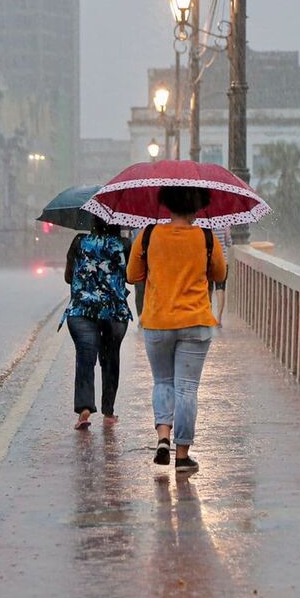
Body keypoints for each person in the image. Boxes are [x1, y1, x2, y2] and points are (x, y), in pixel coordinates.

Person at [126, 186, 227, 473]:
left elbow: (132, 276)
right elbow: (219, 274)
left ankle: (162, 437)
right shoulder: (206, 237)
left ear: (167, 205)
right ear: (198, 207)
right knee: (187, 388)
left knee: (163, 382)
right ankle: (182, 455)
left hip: (157, 321)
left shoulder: (148, 234)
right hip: (195, 321)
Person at [62, 217, 132, 430]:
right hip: (114, 311)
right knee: (110, 359)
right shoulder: (125, 245)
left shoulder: (79, 241)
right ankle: (109, 412)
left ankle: (84, 409)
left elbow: (68, 277)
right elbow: (131, 276)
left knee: (85, 357)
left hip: (81, 310)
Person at [209, 226, 231, 326]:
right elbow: (228, 242)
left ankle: (208, 316)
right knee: (220, 288)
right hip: (223, 261)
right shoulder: (224, 223)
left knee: (208, 289)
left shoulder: (204, 222)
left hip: (208, 261)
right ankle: (219, 318)